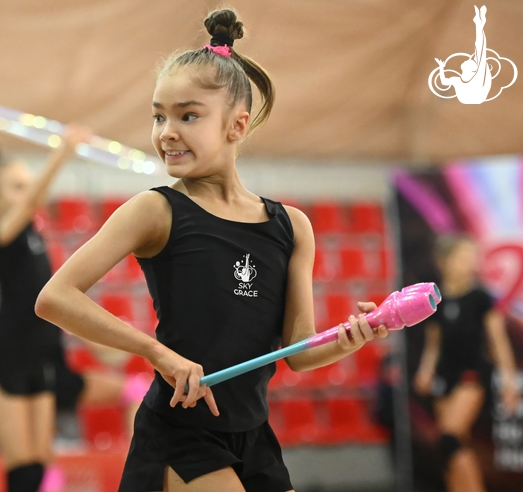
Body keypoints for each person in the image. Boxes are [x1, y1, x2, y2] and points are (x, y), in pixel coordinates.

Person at [35, 8, 389, 492]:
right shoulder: (154, 211)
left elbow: (299, 352)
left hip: (254, 435)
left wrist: (352, 336)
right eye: (159, 115)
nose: (166, 132)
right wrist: (156, 353)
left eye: (188, 115)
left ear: (236, 126)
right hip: (181, 433)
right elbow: (54, 297)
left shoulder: (292, 227)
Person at [0, 125, 93, 492]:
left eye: (27, 184)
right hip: (8, 356)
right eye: (17, 186)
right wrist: (61, 152)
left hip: (42, 353)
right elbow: (24, 203)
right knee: (22, 472)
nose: (27, 193)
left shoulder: (29, 231)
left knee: (42, 467)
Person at [414, 234, 519, 492]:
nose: (469, 264)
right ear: (444, 261)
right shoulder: (435, 300)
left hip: (471, 372)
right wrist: (425, 371)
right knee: (450, 445)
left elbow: (498, 342)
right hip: (444, 374)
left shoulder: (481, 297)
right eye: (463, 258)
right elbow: (433, 345)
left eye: (472, 258)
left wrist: (509, 382)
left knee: (450, 437)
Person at [435, 5, 491, 104]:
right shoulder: (462, 79)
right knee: (480, 51)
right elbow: (480, 49)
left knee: (480, 50)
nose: (468, 59)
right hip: (473, 97)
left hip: (474, 97)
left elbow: (480, 47)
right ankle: (479, 23)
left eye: (469, 61)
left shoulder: (474, 78)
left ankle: (479, 23)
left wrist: (441, 67)